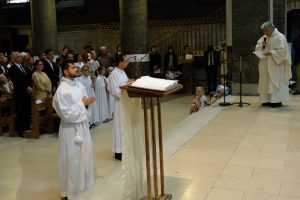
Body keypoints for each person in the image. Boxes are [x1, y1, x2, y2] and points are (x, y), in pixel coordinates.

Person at [52, 61, 95, 200]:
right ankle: (67, 193)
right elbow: (65, 114)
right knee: (70, 160)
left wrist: (86, 105)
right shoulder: (62, 90)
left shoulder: (80, 85)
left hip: (82, 126)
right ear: (65, 71)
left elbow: (86, 104)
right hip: (70, 130)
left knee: (83, 158)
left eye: (77, 67)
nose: (77, 69)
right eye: (73, 67)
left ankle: (80, 186)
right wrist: (83, 104)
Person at [255, 21, 292, 108]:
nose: (265, 33)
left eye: (266, 31)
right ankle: (266, 100)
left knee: (275, 81)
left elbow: (283, 52)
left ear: (272, 28)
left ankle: (276, 100)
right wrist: (263, 46)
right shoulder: (264, 37)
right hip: (265, 64)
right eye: (264, 31)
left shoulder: (280, 37)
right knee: (265, 81)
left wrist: (271, 53)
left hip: (276, 65)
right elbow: (258, 47)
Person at [107, 54, 132, 161]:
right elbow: (115, 91)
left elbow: (125, 84)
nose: (128, 62)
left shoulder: (122, 72)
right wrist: (128, 85)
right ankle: (119, 151)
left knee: (126, 126)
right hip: (119, 103)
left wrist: (130, 83)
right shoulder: (113, 74)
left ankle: (125, 148)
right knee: (119, 127)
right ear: (120, 62)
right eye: (126, 61)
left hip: (126, 102)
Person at [8, 51, 33, 137]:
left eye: (21, 57)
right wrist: (26, 87)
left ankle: (27, 128)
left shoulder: (24, 67)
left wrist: (30, 86)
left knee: (27, 111)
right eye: (18, 57)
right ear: (14, 59)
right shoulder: (12, 69)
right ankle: (21, 131)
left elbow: (29, 77)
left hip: (27, 93)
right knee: (21, 112)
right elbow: (16, 81)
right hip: (19, 94)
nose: (20, 58)